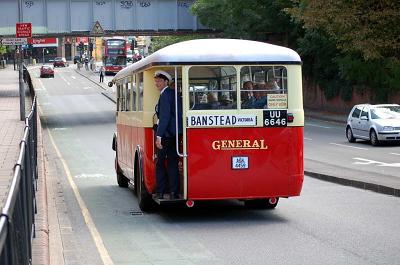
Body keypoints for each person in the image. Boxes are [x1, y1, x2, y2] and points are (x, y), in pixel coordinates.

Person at [153, 70, 182, 200]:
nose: (157, 83)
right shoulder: (174, 94)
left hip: (166, 135)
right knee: (172, 163)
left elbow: (164, 117)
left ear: (166, 81)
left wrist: (159, 136)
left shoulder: (165, 95)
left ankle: (160, 191)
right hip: (175, 134)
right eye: (156, 81)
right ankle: (173, 192)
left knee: (159, 163)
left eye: (159, 81)